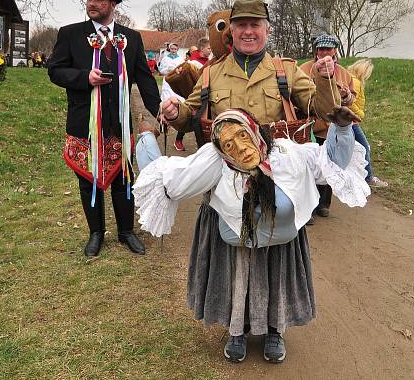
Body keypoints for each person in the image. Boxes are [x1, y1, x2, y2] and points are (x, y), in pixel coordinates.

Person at [158, 0, 344, 364]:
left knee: (277, 253)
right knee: (233, 255)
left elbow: (321, 110)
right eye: (240, 24)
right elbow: (190, 115)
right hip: (226, 181)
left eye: (255, 24)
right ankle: (236, 328)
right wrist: (175, 111)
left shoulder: (285, 72)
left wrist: (326, 79)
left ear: (267, 29)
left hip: (277, 182)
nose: (247, 31)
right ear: (231, 30)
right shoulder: (212, 74)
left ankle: (275, 329)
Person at [134, 107, 369, 364]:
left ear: (255, 130)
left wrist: (343, 128)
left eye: (243, 137)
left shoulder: (288, 154)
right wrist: (146, 139)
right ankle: (237, 332)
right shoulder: (214, 162)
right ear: (221, 150)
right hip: (238, 240)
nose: (241, 149)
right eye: (229, 145)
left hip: (280, 240)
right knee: (238, 281)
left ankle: (275, 331)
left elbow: (332, 162)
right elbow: (167, 178)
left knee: (277, 281)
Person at [48, 0, 161, 257]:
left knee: (124, 178)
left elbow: (145, 80)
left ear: (113, 4)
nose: (92, 4)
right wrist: (84, 76)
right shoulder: (70, 34)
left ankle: (126, 232)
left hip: (119, 124)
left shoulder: (130, 38)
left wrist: (159, 110)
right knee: (88, 181)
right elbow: (55, 71)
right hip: (84, 124)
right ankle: (96, 233)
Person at [299, 34, 355, 223]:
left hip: (332, 128)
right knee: (311, 167)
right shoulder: (305, 69)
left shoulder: (344, 73)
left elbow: (351, 97)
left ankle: (324, 204)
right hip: (311, 127)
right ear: (316, 51)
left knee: (331, 165)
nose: (324, 53)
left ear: (334, 51)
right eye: (321, 49)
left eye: (328, 49)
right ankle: (310, 209)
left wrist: (346, 97)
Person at [347, 59, 389, 188]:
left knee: (353, 149)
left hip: (348, 120)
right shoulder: (356, 82)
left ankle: (358, 176)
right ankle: (368, 178)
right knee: (364, 147)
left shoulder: (350, 79)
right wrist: (360, 113)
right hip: (351, 121)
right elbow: (350, 102)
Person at [158, 42, 188, 151]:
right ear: (169, 49)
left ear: (178, 49)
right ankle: (165, 125)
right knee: (166, 104)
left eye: (175, 49)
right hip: (167, 83)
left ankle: (177, 123)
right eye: (172, 49)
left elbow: (183, 71)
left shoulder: (180, 59)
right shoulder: (165, 58)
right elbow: (161, 70)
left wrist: (176, 71)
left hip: (176, 84)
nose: (173, 50)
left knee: (178, 104)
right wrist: (168, 70)